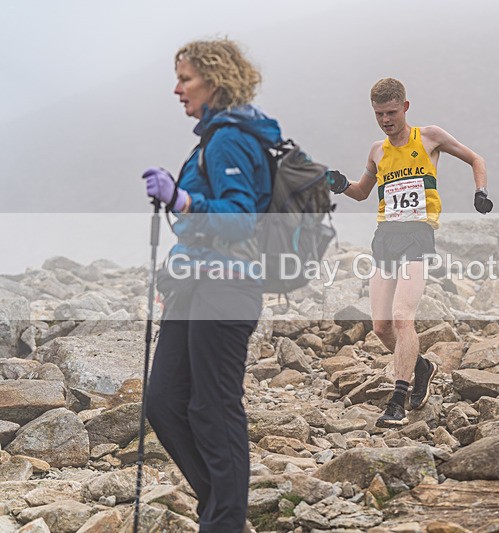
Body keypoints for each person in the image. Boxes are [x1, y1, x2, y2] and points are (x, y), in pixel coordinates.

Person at [142, 39, 281, 532]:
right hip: (194, 286)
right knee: (163, 401)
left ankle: (223, 520)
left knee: (213, 406)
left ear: (215, 79)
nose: (177, 89)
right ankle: (223, 510)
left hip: (227, 286)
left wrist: (180, 199)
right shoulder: (210, 140)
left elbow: (241, 220)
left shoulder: (231, 137)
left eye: (186, 78)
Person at [327, 78, 493, 427]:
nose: (386, 120)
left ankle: (398, 402)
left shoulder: (429, 137)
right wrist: (341, 186)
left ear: (405, 107)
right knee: (381, 327)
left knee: (404, 316)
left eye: (391, 112)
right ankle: (422, 366)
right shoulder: (377, 151)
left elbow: (475, 158)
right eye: (378, 114)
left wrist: (480, 192)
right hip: (385, 236)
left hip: (418, 235)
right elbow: (362, 192)